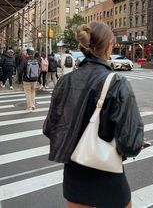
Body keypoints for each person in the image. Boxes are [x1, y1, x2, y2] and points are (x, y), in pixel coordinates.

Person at [43, 22, 144, 208]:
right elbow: (131, 144)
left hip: (75, 181)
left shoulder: (64, 81)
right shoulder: (118, 83)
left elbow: (50, 129)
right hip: (109, 180)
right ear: (110, 47)